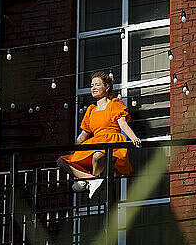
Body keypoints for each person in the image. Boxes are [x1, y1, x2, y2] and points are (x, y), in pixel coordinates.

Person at [57, 71, 141, 199]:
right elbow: (84, 134)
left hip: (111, 141)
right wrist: (74, 148)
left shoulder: (115, 104)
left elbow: (123, 124)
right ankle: (91, 181)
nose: (93, 88)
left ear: (107, 87)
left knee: (97, 156)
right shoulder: (91, 110)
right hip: (95, 142)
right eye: (92, 85)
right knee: (62, 161)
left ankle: (87, 182)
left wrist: (134, 138)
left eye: (97, 85)